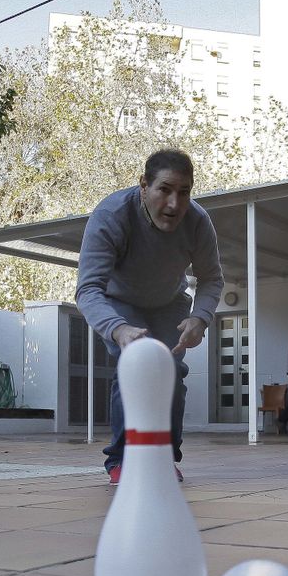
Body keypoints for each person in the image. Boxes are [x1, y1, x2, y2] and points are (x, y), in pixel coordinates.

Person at [77, 149, 224, 485]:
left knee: (170, 372)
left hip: (169, 302)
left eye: (184, 192)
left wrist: (200, 317)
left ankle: (164, 456)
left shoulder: (198, 222)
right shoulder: (111, 216)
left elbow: (212, 278)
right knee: (132, 369)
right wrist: (118, 329)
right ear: (143, 185)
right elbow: (88, 289)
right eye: (165, 190)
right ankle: (120, 460)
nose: (174, 204)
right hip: (120, 303)